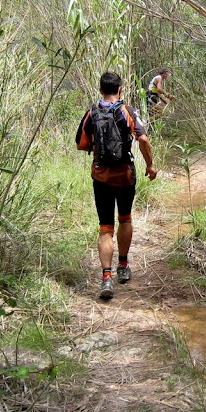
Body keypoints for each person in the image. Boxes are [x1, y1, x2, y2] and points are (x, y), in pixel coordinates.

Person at [76, 71, 157, 300]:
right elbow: (143, 139)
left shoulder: (91, 113)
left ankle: (106, 278)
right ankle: (122, 266)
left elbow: (81, 144)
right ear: (120, 89)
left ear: (100, 90)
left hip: (101, 176)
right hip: (125, 176)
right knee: (125, 218)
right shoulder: (127, 111)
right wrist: (150, 165)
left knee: (105, 228)